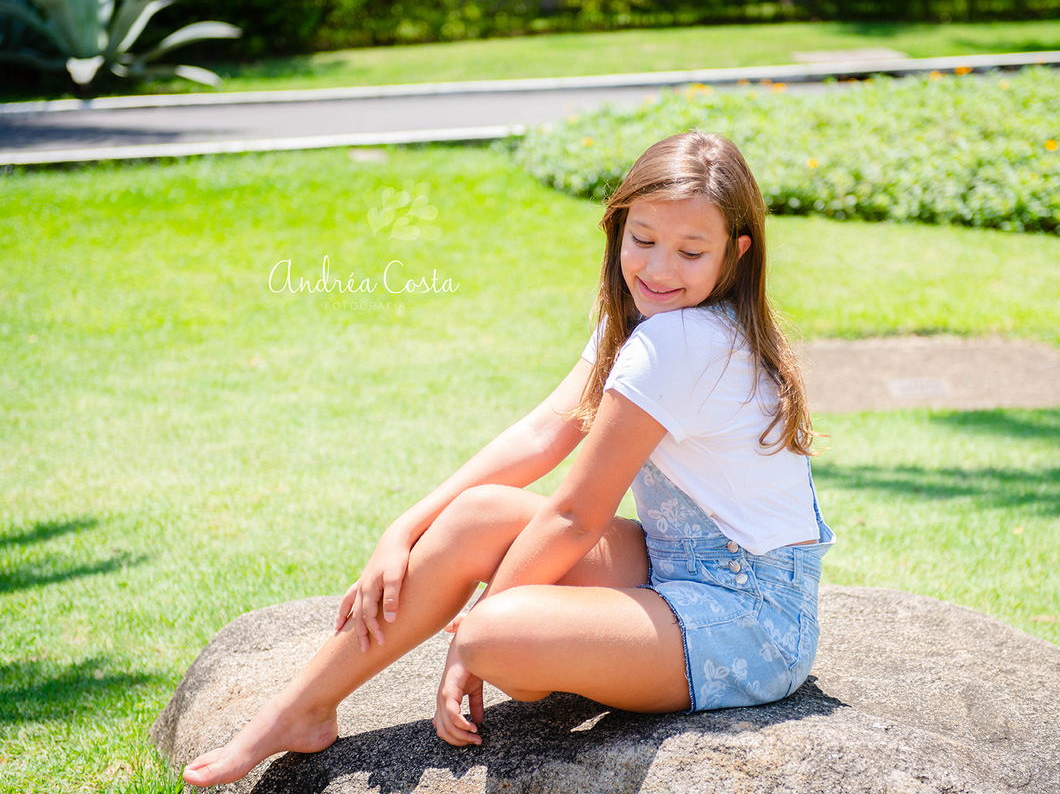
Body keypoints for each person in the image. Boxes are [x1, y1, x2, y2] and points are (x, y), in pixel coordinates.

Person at [181, 129, 835, 787]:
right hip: (675, 565)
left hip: (754, 619)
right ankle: (301, 710)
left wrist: (472, 647)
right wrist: (404, 529)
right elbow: (544, 433)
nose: (659, 269)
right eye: (642, 240)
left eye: (691, 251)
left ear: (735, 253)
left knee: (497, 635)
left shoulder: (683, 339)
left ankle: (523, 642)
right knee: (477, 517)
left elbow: (577, 515)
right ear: (617, 228)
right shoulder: (646, 318)